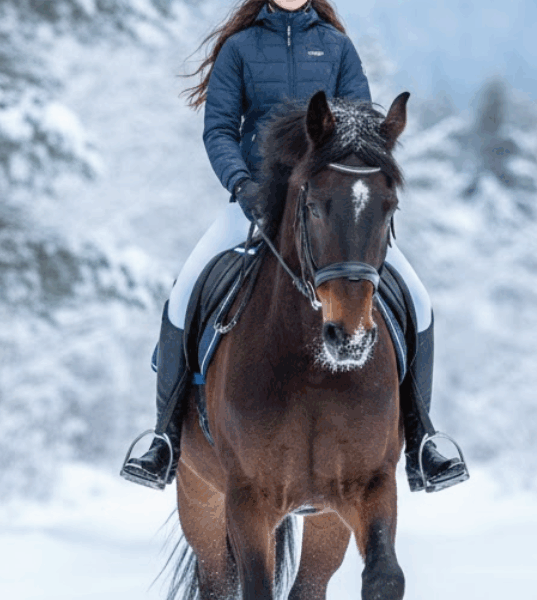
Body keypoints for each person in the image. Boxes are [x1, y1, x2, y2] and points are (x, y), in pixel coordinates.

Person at [120, 0, 468, 493]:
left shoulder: (337, 46)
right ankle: (164, 440)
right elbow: (219, 128)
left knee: (417, 298)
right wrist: (242, 184)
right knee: (186, 290)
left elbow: (362, 131)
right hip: (255, 201)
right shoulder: (239, 48)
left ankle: (422, 442)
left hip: (329, 209)